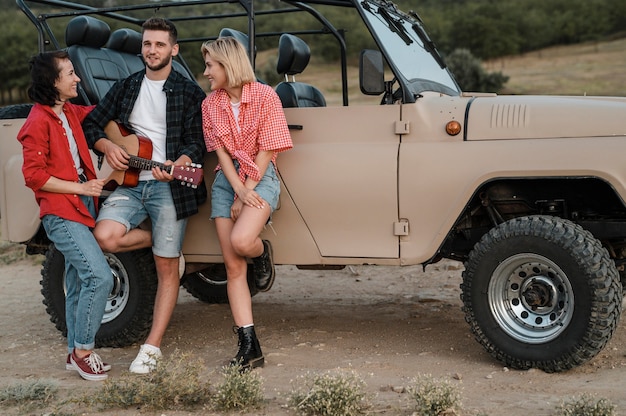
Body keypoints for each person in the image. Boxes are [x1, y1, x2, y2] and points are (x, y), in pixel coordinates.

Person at [82, 17, 207, 374]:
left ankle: (151, 347)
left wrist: (183, 159)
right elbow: (91, 123)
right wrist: (107, 145)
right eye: (148, 44)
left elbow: (197, 142)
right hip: (130, 183)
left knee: (166, 268)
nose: (152, 50)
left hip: (168, 184)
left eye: (160, 45)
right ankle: (167, 241)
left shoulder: (188, 92)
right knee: (104, 237)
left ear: (174, 49)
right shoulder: (126, 87)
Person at [18, 51, 114, 381]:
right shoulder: (37, 122)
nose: (78, 78)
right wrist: (80, 187)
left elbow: (102, 113)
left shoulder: (68, 111)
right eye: (70, 74)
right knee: (99, 276)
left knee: (76, 284)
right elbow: (33, 175)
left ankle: (75, 352)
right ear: (53, 82)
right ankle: (83, 351)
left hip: (82, 207)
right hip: (61, 212)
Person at [200, 37, 293, 370]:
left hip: (261, 176)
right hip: (228, 182)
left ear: (228, 64)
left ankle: (261, 251)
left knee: (242, 242)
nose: (207, 71)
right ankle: (249, 346)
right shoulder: (210, 104)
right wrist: (237, 191)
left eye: (211, 65)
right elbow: (221, 154)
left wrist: (248, 189)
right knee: (233, 267)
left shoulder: (266, 95)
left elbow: (268, 149)